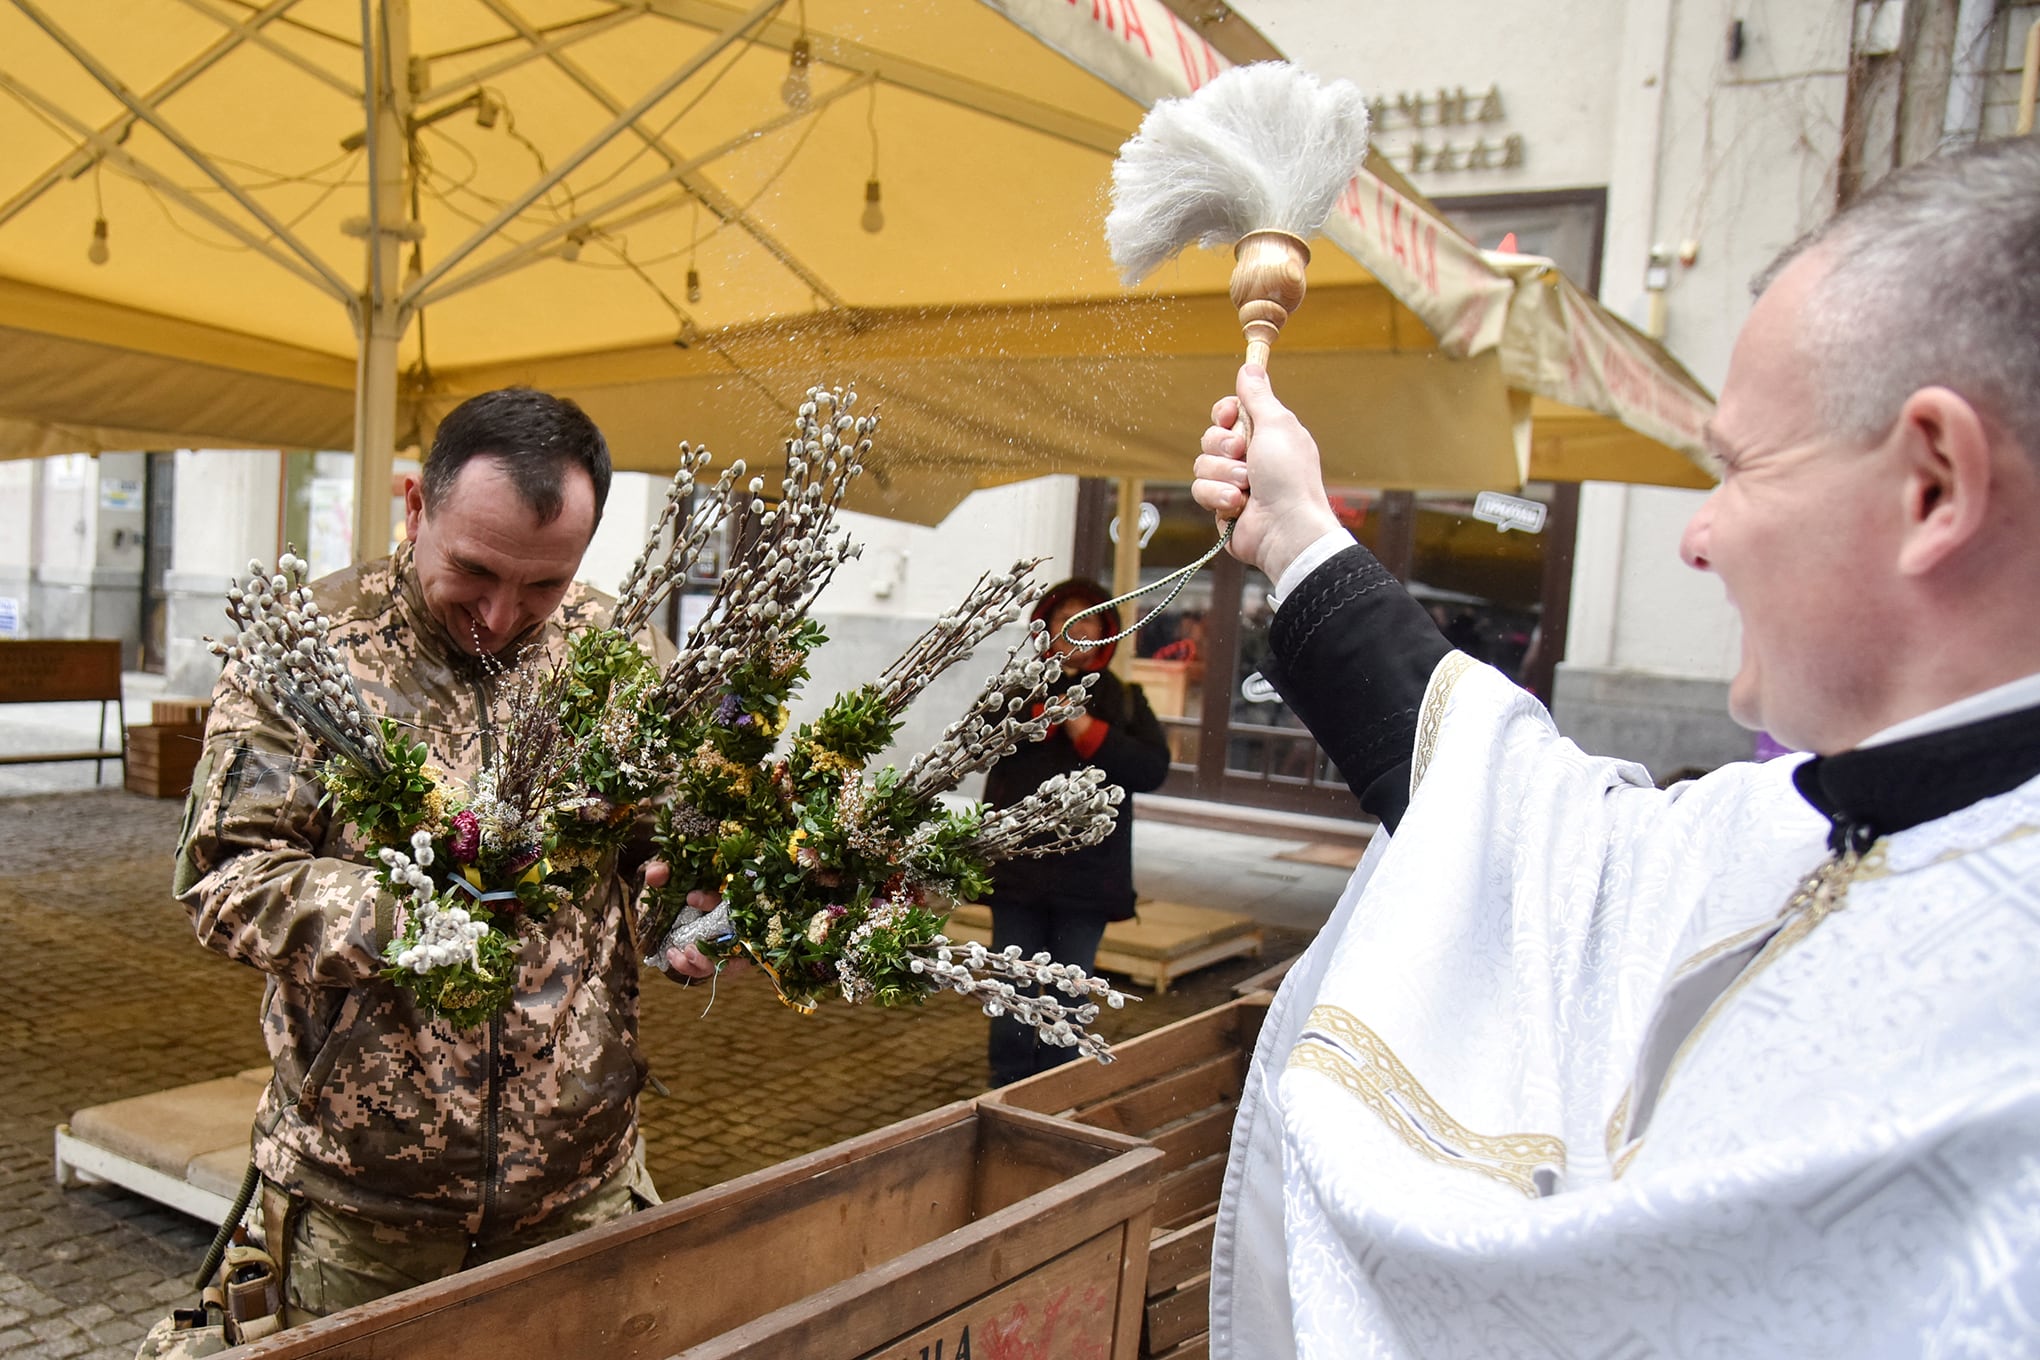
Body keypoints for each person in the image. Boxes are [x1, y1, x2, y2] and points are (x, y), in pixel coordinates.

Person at [1189, 138, 2040, 1357]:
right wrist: (1298, 535)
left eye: (1740, 468)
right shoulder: (1868, 813)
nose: (1699, 537)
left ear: (1934, 484)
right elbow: (1558, 842)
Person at [172, 388, 712, 1324]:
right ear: (416, 505)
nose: (500, 616)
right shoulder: (307, 654)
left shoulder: (619, 652)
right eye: (474, 571)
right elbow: (226, 878)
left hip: (582, 1184)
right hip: (366, 1204)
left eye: (543, 586)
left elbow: (651, 856)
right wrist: (420, 918)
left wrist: (691, 914)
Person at [980, 578, 1171, 1086]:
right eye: (1067, 619)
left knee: (1069, 988)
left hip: (1088, 879)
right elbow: (980, 745)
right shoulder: (1015, 689)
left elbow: (1152, 769)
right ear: (1045, 627)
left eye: (1089, 620)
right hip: (1018, 870)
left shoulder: (1123, 700)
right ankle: (1006, 1085)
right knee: (1012, 987)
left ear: (1105, 634)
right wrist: (1035, 713)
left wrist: (1087, 729)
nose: (1077, 630)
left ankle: (1055, 1089)